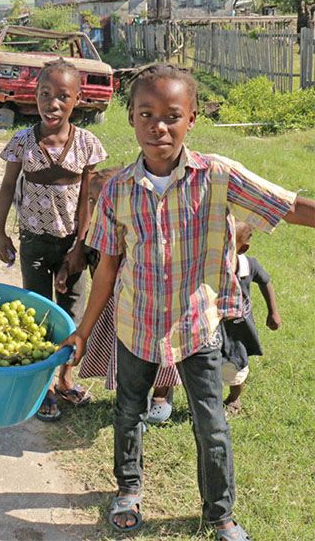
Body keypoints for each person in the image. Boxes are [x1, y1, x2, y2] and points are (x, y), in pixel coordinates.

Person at [61, 63, 315, 540]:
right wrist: (82, 330)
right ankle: (128, 489)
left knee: (212, 424)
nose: (158, 126)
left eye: (171, 115)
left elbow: (287, 205)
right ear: (131, 117)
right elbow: (108, 269)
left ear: (191, 118)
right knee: (127, 410)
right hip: (135, 325)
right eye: (145, 114)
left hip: (197, 326)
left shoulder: (217, 175)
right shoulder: (117, 189)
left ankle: (219, 514)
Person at [0, 58, 108, 422]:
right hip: (34, 241)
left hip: (73, 244)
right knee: (39, 312)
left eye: (63, 96)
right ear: (35, 95)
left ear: (78, 99)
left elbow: (89, 197)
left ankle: (65, 379)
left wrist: (81, 246)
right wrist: (0, 231)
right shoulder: (23, 141)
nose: (52, 103)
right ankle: (42, 388)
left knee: (72, 313)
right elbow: (8, 187)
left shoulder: (87, 144)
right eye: (45, 94)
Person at [56, 167, 181, 424]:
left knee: (161, 353)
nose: (100, 206)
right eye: (93, 200)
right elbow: (89, 264)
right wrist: (67, 270)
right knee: (129, 361)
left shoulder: (142, 231)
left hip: (152, 306)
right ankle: (133, 402)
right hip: (116, 307)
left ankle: (161, 393)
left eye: (105, 200)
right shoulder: (95, 234)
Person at [221, 221, 281, 415]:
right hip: (213, 328)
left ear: (242, 248)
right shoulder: (209, 265)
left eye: (227, 244)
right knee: (207, 366)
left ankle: (234, 398)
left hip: (239, 329)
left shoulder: (249, 265)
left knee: (237, 368)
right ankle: (207, 403)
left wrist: (273, 311)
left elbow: (266, 281)